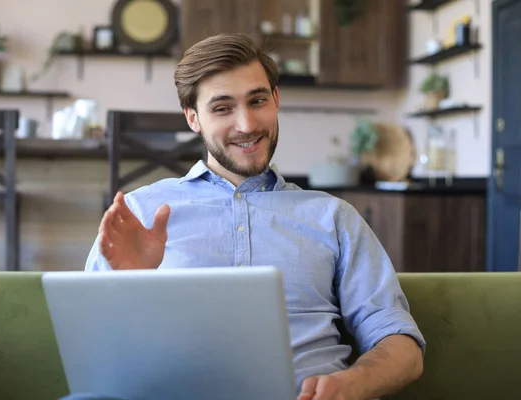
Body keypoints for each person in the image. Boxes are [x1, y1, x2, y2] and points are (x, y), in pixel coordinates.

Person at [85, 33, 425, 400]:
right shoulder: (139, 213)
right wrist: (134, 289)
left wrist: (354, 384)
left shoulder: (333, 217)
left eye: (257, 100)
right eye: (222, 108)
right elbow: (90, 350)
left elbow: (401, 345)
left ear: (276, 100)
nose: (246, 124)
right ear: (193, 118)